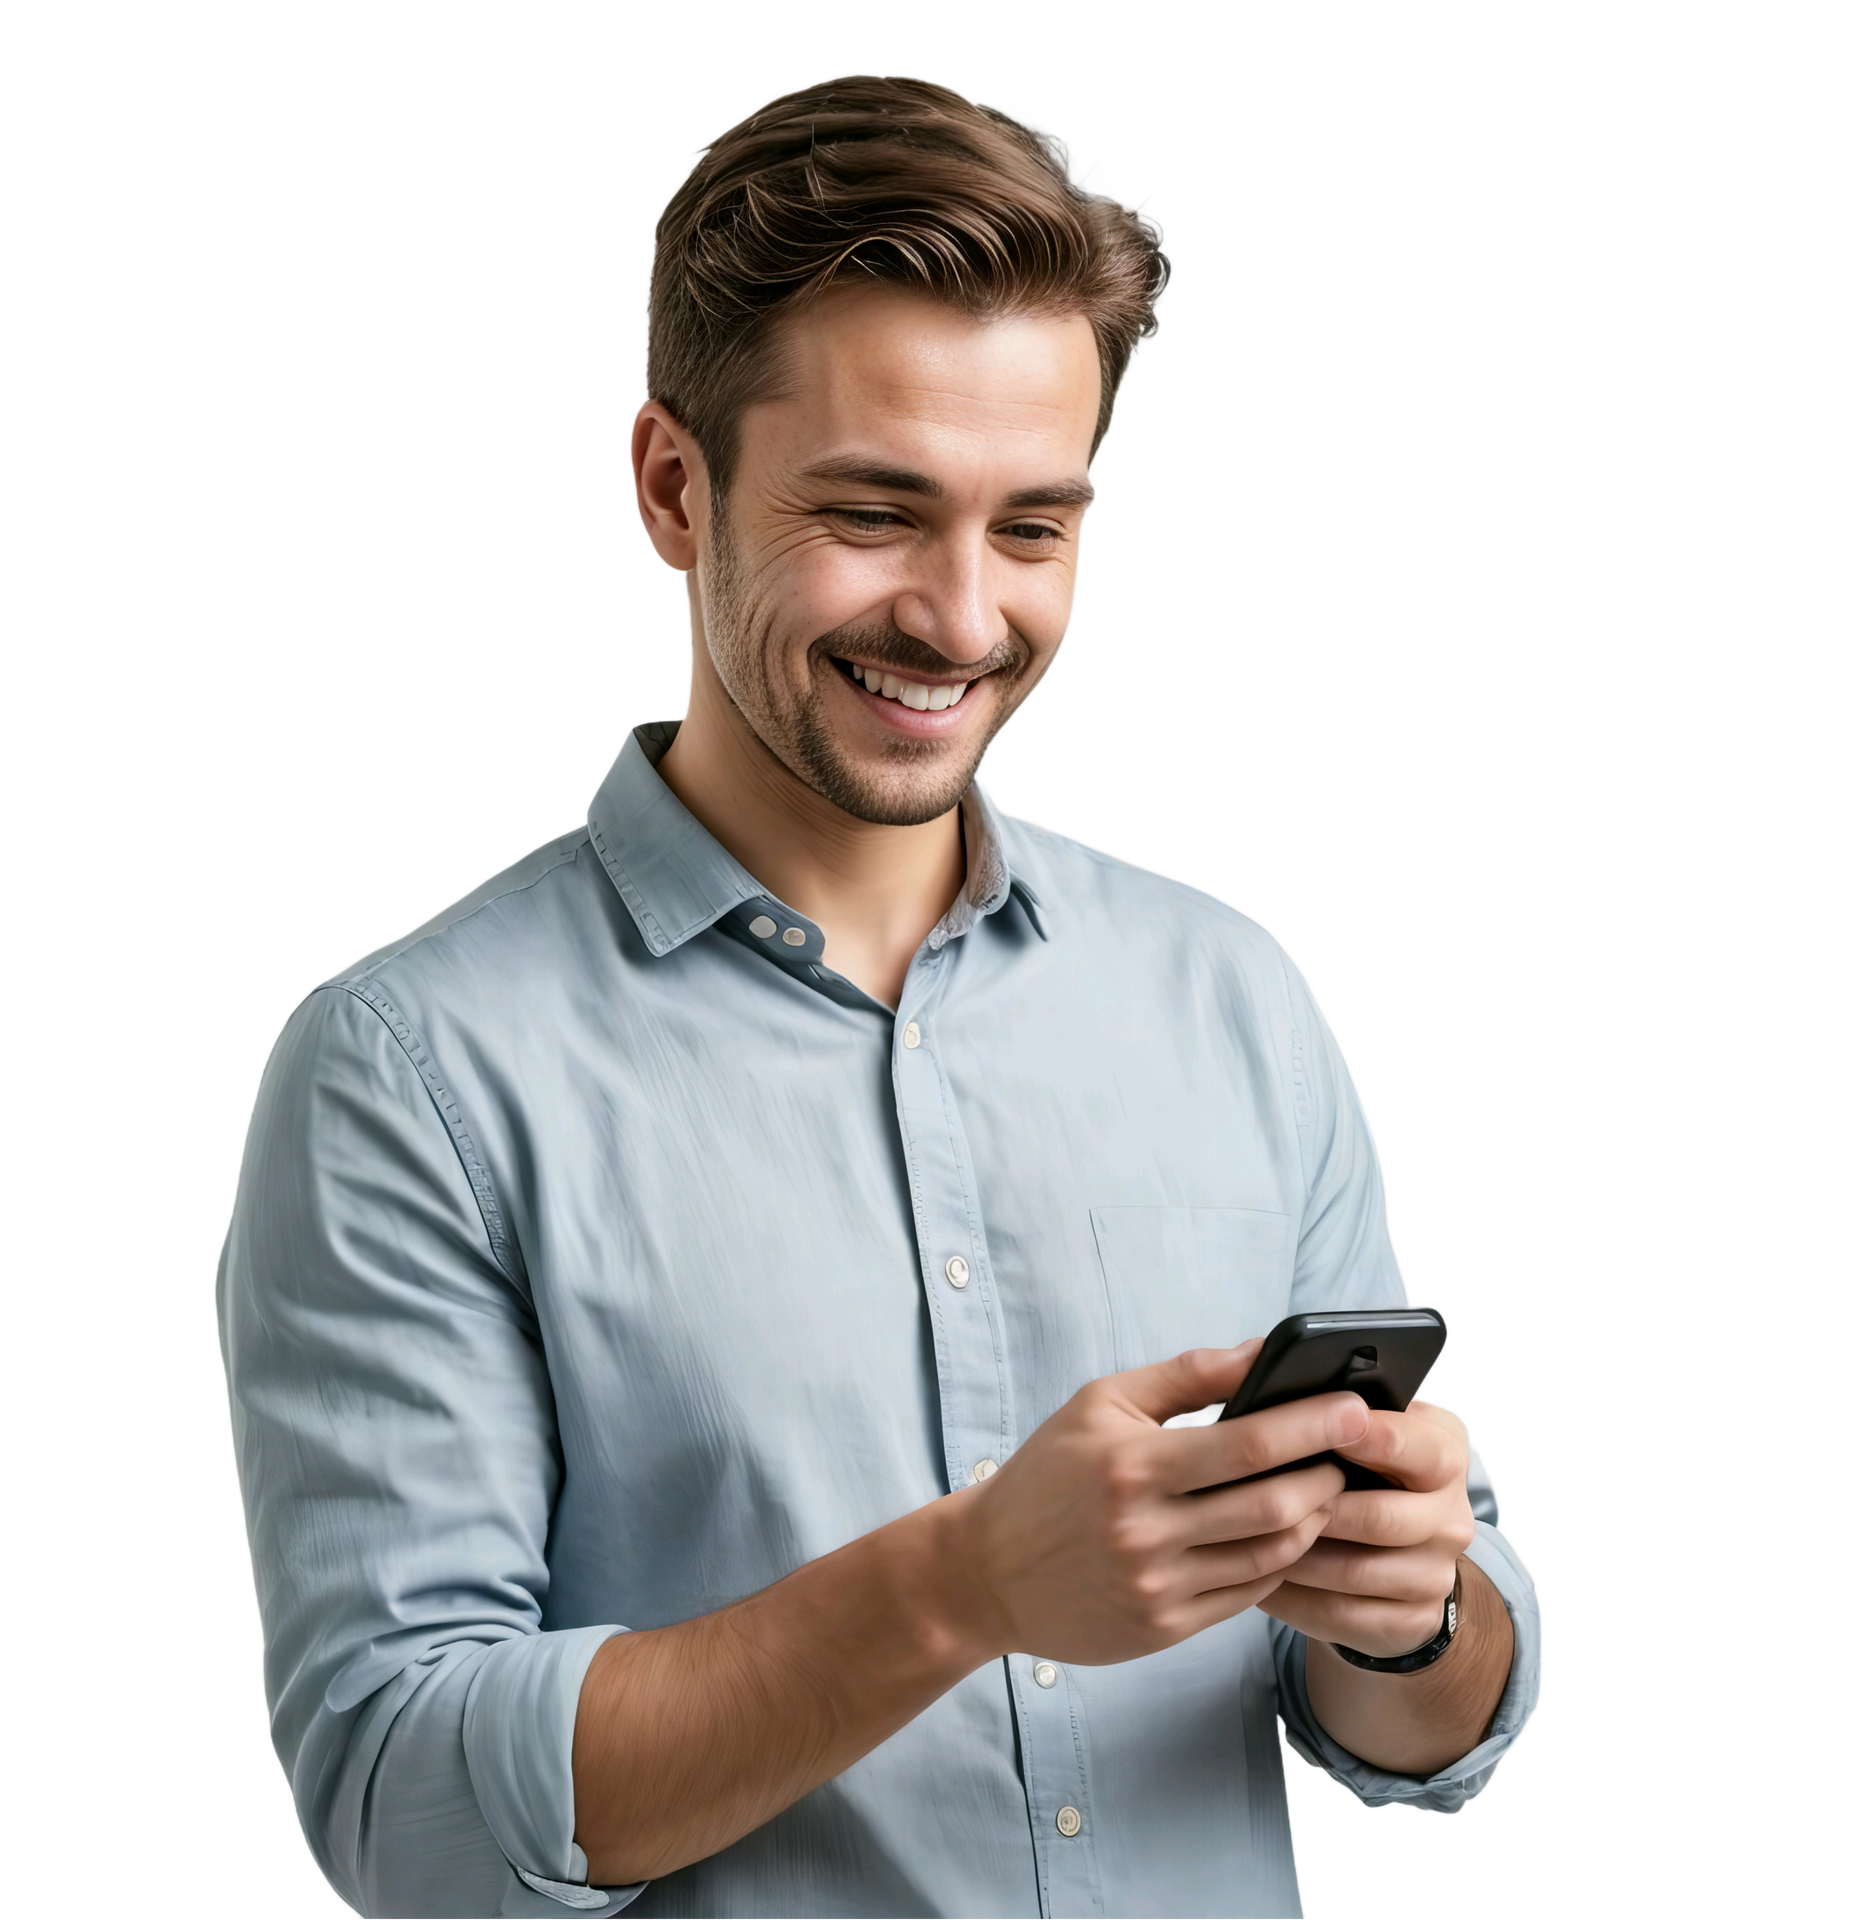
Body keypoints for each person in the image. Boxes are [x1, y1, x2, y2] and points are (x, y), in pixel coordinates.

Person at [216, 73, 1544, 1920]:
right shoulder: (407, 1072)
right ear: (673, 483)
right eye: (874, 510)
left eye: (1033, 526)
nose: (962, 617)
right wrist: (958, 1590)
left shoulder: (1235, 993)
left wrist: (1414, 1618)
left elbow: (1430, 1734)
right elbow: (402, 1812)